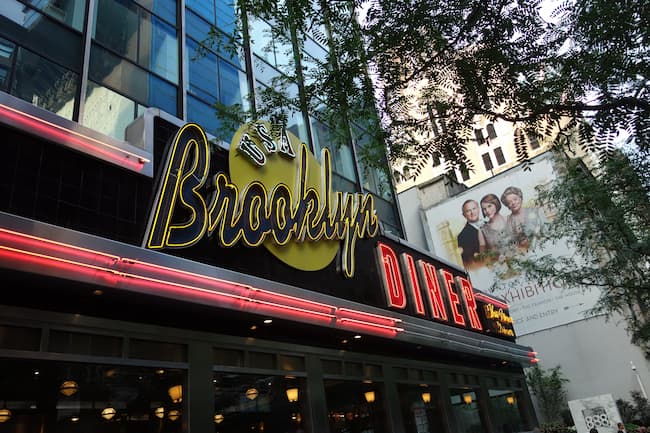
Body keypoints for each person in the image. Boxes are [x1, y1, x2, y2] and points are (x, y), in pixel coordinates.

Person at [500, 186, 546, 253]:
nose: (513, 203)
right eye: (509, 202)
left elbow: (547, 232)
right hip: (525, 254)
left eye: (515, 199)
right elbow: (510, 243)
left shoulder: (537, 211)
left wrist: (536, 236)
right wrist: (520, 244)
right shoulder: (508, 222)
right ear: (507, 206)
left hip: (543, 248)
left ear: (520, 198)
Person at [478, 193, 513, 260]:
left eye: (489, 206)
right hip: (501, 267)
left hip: (523, 264)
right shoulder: (482, 230)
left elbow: (524, 242)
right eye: (484, 209)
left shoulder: (511, 219)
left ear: (496, 204)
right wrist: (496, 258)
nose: (487, 211)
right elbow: (483, 257)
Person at [457, 200, 482, 268]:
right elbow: (468, 262)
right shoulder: (462, 236)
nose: (472, 212)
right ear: (464, 215)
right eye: (468, 211)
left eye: (474, 209)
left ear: (478, 209)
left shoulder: (489, 224)